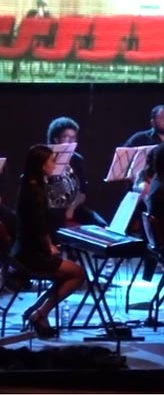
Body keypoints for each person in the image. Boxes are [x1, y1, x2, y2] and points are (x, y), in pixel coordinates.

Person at [12, 144, 86, 339]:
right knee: (78, 274)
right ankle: (40, 314)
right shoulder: (34, 193)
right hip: (32, 254)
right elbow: (37, 228)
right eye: (51, 160)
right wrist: (49, 247)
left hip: (28, 249)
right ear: (40, 165)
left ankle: (38, 312)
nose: (55, 164)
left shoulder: (32, 185)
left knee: (68, 275)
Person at [44, 117, 107, 232]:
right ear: (56, 139)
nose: (69, 141)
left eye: (73, 138)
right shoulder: (44, 158)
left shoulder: (77, 159)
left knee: (101, 225)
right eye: (65, 137)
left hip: (73, 206)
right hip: (51, 208)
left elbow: (82, 192)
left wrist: (72, 208)